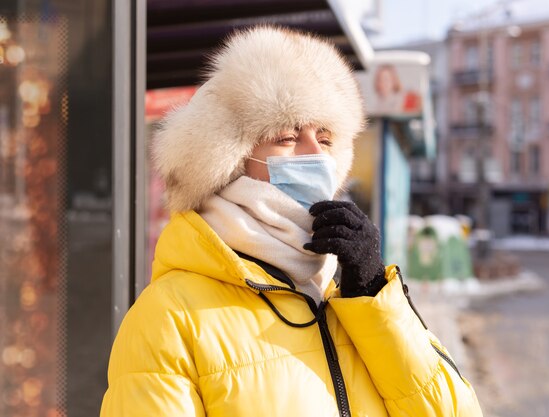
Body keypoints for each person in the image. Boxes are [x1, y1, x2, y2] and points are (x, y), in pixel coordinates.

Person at [100, 26, 482, 417]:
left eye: (327, 137)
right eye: (287, 136)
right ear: (229, 157)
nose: (316, 153)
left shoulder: (346, 291)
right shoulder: (169, 318)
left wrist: (370, 295)